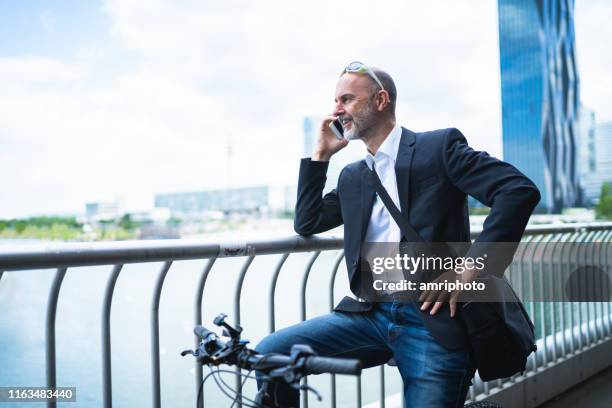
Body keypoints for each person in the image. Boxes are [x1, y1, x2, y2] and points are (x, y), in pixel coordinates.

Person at [256, 61, 540, 407]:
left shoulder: (438, 148)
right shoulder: (354, 177)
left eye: (346, 99)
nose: (336, 109)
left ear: (381, 100)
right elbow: (307, 222)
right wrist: (320, 156)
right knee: (271, 354)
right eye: (335, 101)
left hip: (432, 318)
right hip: (372, 314)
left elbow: (517, 190)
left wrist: (471, 269)